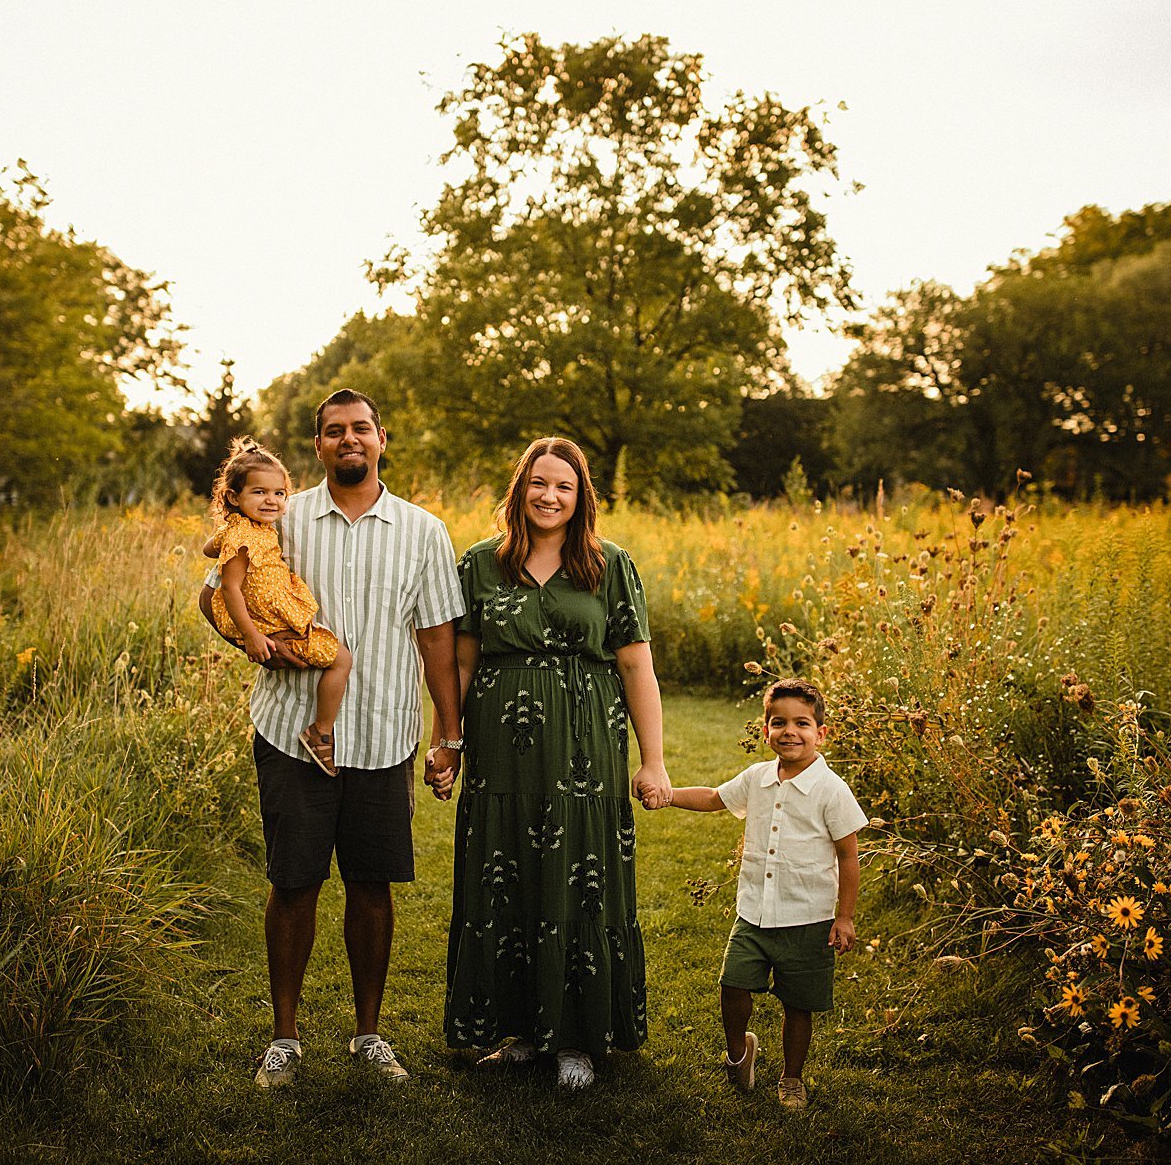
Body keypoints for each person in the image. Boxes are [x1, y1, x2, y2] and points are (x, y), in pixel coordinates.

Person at [197, 390, 463, 1090]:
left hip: (383, 734)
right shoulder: (281, 513)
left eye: (361, 429)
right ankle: (284, 1037)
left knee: (372, 885)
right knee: (293, 882)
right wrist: (256, 640)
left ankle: (368, 1031)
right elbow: (213, 591)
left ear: (383, 437)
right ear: (317, 444)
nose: (349, 439)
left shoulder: (423, 529)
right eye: (333, 431)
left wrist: (449, 734)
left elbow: (438, 638)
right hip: (291, 729)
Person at [429, 436, 671, 1091]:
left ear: (581, 495)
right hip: (503, 755)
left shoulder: (608, 564)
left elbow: (635, 664)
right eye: (538, 482)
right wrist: (447, 740)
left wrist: (653, 760)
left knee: (578, 879)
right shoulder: (481, 564)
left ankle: (575, 1037)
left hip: (586, 752)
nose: (548, 495)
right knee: (504, 875)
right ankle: (518, 1031)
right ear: (520, 487)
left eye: (563, 486)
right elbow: (461, 663)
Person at [658, 677, 867, 1109]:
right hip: (753, 912)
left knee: (798, 1005)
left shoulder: (832, 790)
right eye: (778, 722)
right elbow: (716, 797)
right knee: (732, 986)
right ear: (766, 728)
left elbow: (848, 856)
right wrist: (668, 795)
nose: (789, 731)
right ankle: (738, 1054)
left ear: (820, 733)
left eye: (802, 723)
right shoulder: (757, 778)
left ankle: (792, 1078)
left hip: (807, 918)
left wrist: (843, 918)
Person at [202, 436, 352, 775]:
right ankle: (320, 732)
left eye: (279, 493)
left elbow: (208, 548)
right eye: (259, 492)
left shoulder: (243, 527)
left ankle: (319, 731)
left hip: (269, 613)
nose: (271, 500)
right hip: (265, 624)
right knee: (342, 659)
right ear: (233, 496)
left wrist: (224, 531)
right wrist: (252, 636)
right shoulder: (243, 538)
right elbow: (229, 589)